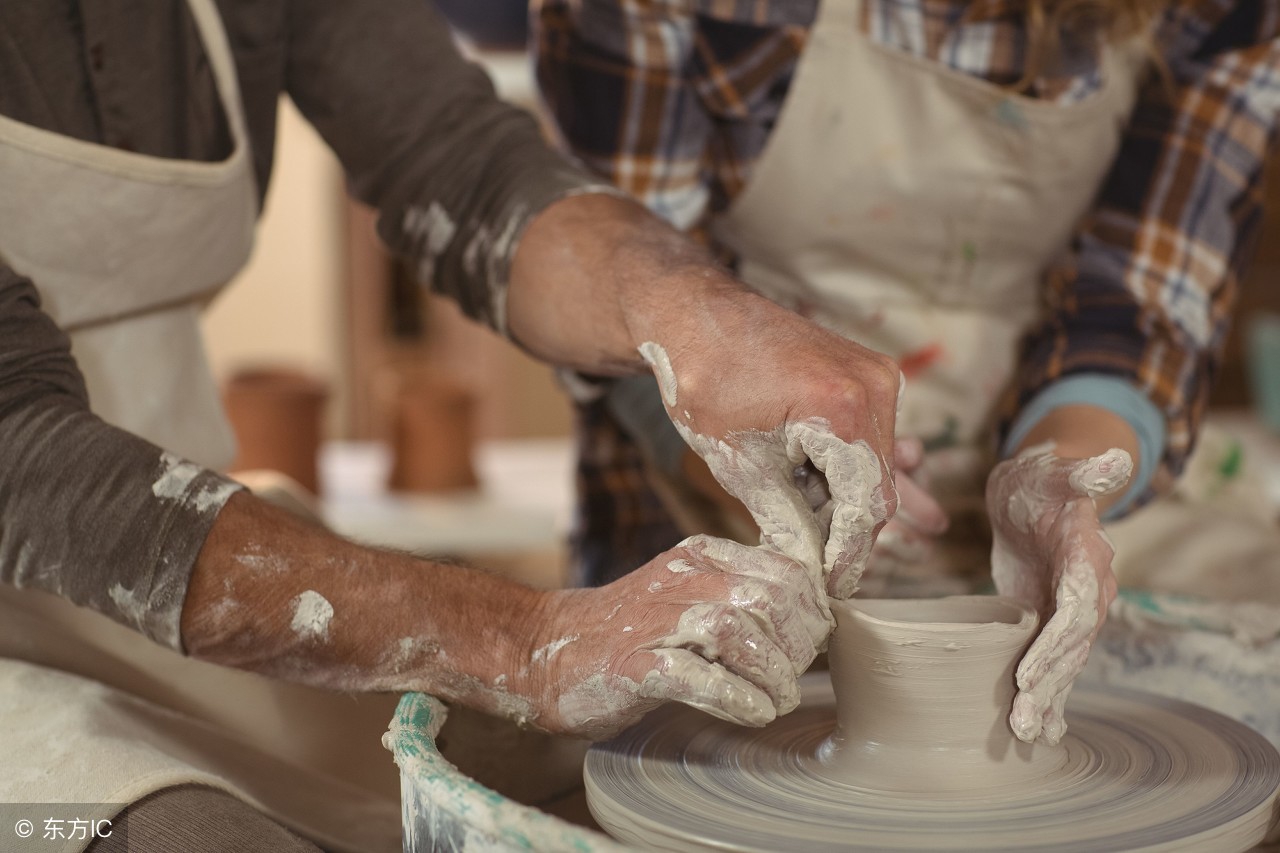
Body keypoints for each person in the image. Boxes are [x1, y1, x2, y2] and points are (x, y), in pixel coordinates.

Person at [0, 1, 919, 850]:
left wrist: (692, 314)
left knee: (551, 764)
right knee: (194, 835)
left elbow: (457, 157)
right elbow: (21, 453)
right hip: (48, 555)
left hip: (192, 544)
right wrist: (525, 640)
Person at [535, 0, 1280, 747]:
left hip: (1033, 434)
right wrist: (761, 473)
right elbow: (616, 292)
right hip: (719, 502)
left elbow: (1140, 307)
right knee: (657, 747)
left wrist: (1054, 484)